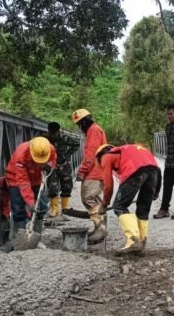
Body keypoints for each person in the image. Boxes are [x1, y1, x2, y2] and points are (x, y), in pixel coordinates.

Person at [97, 144, 161, 255]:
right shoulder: (131, 149)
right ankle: (141, 245)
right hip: (154, 172)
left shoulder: (106, 156)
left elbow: (108, 184)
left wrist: (104, 203)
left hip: (135, 171)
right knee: (143, 209)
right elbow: (156, 169)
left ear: (100, 155)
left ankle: (133, 240)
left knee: (119, 206)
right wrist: (156, 192)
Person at [4, 137, 56, 234]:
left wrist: (50, 164)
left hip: (36, 179)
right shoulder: (21, 153)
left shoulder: (50, 149)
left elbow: (53, 159)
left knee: (41, 207)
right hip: (15, 179)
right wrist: (30, 201)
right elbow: (22, 180)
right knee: (18, 209)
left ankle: (36, 237)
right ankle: (21, 237)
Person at [72, 108, 108, 243]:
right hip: (100, 170)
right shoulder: (96, 129)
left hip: (94, 172)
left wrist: (82, 171)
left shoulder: (93, 131)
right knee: (97, 201)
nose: (80, 127)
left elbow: (91, 154)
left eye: (80, 124)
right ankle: (100, 228)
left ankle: (101, 228)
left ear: (85, 121)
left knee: (87, 198)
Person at [46, 122, 80, 219]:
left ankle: (65, 210)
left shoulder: (65, 138)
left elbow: (76, 144)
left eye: (55, 133)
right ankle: (54, 209)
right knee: (52, 187)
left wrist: (67, 154)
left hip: (64, 165)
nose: (53, 135)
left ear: (58, 131)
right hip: (52, 165)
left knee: (67, 186)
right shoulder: (46, 139)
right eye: (51, 133)